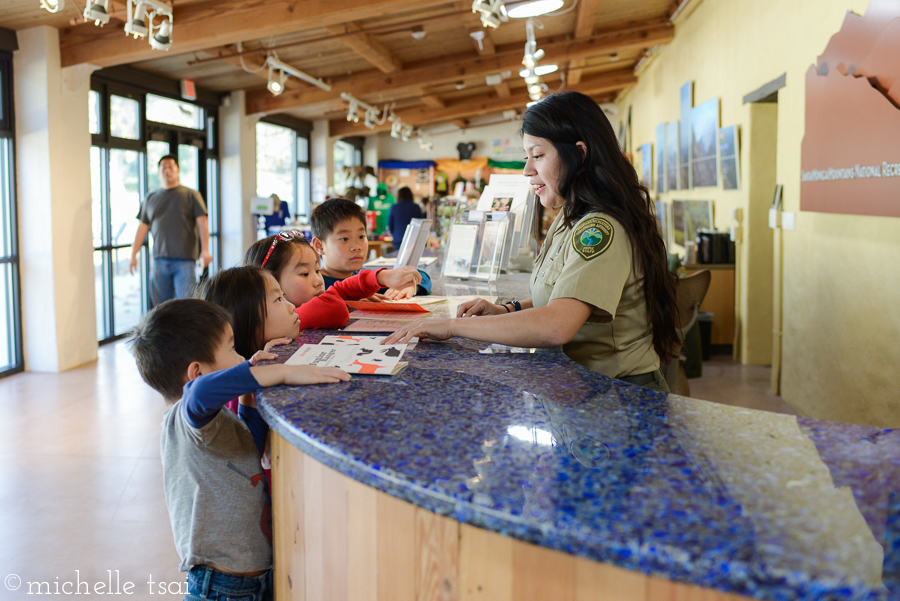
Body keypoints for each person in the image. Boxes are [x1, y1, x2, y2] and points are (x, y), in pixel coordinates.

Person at [385, 91, 679, 392]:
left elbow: (556, 324)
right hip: (584, 391)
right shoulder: (572, 217)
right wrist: (507, 310)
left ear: (579, 153)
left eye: (537, 155)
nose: (527, 170)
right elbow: (566, 295)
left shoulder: (600, 228)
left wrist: (452, 327)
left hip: (620, 398)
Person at [128, 299, 348, 601]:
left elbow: (248, 448)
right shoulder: (188, 417)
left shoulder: (213, 421)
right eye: (232, 350)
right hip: (221, 587)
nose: (242, 357)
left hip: (250, 579)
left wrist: (248, 394)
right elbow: (200, 392)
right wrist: (281, 372)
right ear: (197, 372)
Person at [244, 230, 420, 330]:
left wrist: (382, 277)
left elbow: (340, 290)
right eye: (304, 274)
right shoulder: (286, 320)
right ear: (269, 282)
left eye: (317, 270)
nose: (318, 281)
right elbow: (335, 308)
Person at [129, 155, 212, 306]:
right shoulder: (151, 197)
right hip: (159, 260)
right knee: (161, 307)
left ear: (178, 170)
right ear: (159, 172)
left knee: (188, 305)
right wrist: (133, 254)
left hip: (185, 260)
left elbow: (202, 223)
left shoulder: (191, 195)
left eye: (170, 167)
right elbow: (142, 227)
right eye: (163, 168)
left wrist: (205, 251)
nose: (167, 171)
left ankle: (189, 330)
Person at [310, 197, 432, 297]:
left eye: (361, 237)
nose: (357, 247)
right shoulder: (314, 286)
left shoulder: (366, 278)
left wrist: (410, 286)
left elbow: (421, 275)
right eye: (344, 239)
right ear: (319, 246)